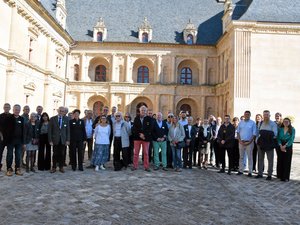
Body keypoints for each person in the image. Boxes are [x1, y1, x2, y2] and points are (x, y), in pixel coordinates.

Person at [256, 110, 278, 180]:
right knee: (260, 159)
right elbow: (257, 133)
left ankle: (269, 175)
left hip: (269, 144)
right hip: (261, 144)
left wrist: (265, 134)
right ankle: (260, 173)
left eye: (267, 115)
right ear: (263, 115)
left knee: (270, 160)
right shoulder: (260, 123)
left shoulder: (273, 124)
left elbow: (275, 134)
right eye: (264, 115)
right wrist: (257, 140)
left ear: (269, 115)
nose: (266, 116)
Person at [48, 106, 70, 173]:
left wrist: (68, 140)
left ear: (64, 112)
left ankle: (61, 167)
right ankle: (54, 167)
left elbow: (68, 130)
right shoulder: (52, 119)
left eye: (63, 111)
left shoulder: (66, 119)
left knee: (62, 154)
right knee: (55, 154)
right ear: (58, 111)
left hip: (63, 140)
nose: (61, 112)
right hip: (55, 140)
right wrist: (50, 140)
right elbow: (50, 130)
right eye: (60, 111)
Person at [6, 104, 26, 176]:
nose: (17, 111)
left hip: (19, 141)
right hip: (10, 140)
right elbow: (5, 130)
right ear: (13, 110)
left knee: (18, 155)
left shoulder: (22, 119)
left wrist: (24, 142)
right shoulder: (9, 118)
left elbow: (23, 131)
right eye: (15, 109)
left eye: (18, 109)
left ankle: (17, 168)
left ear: (20, 110)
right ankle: (9, 169)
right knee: (9, 155)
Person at [131, 105, 153, 172]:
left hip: (146, 138)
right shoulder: (136, 118)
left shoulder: (149, 119)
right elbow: (134, 128)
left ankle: (146, 167)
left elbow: (150, 129)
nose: (143, 111)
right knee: (136, 153)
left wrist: (144, 135)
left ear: (146, 111)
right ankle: (135, 166)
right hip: (137, 138)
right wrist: (140, 134)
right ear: (139, 111)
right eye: (142, 110)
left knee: (146, 153)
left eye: (144, 110)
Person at [236, 111, 257, 177]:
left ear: (250, 115)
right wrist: (239, 140)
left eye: (248, 114)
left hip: (249, 142)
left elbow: (254, 134)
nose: (247, 115)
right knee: (241, 157)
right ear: (244, 115)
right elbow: (238, 132)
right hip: (241, 142)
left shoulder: (253, 123)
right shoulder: (241, 123)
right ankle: (241, 170)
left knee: (250, 157)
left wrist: (250, 141)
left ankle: (250, 171)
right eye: (245, 114)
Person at [0, 103, 14, 172]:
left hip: (10, 138)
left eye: (8, 107)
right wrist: (1, 136)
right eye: (5, 107)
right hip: (1, 138)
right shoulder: (0, 116)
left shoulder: (12, 116)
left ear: (10, 108)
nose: (7, 108)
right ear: (3, 108)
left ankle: (9, 167)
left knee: (10, 153)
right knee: (0, 153)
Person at [274, 112, 283, 178]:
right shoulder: (273, 123)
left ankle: (280, 173)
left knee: (280, 157)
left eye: (278, 116)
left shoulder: (282, 124)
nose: (277, 117)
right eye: (276, 116)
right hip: (274, 142)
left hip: (281, 142)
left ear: (280, 117)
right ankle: (278, 173)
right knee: (278, 157)